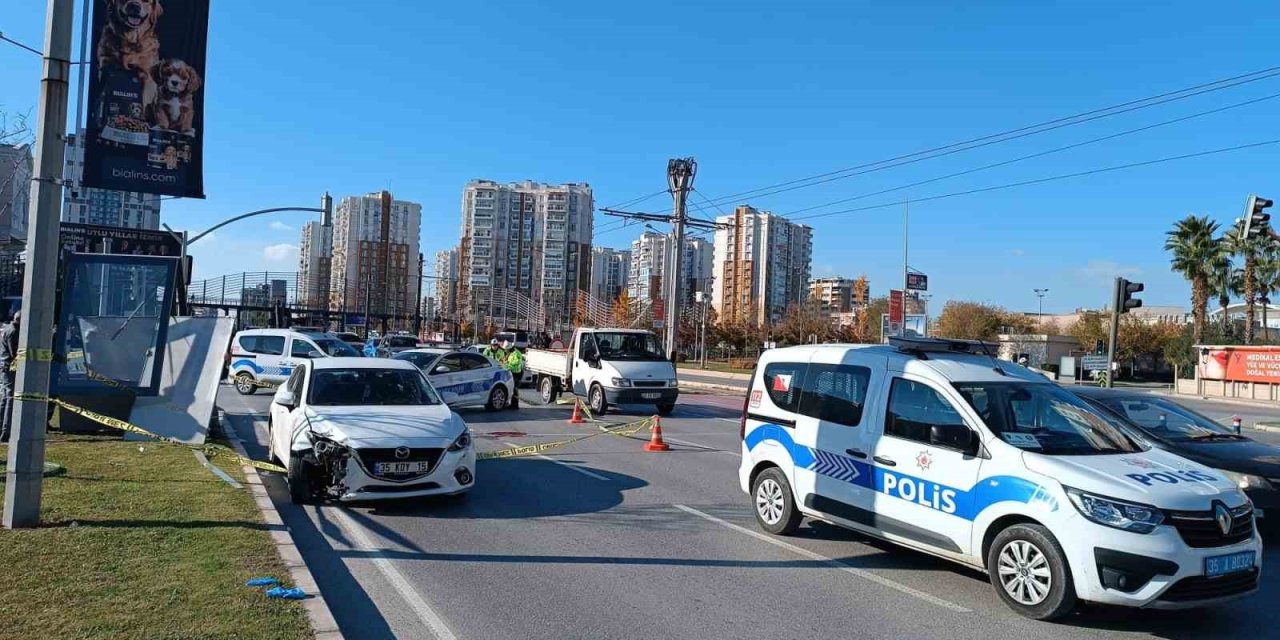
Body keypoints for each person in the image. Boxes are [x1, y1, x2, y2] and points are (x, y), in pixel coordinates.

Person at [0, 311, 20, 443]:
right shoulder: (14, 332)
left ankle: (2, 427)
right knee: (10, 399)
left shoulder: (6, 328)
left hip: (4, 366)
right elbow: (15, 353)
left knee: (4, 398)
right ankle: (6, 431)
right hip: (10, 368)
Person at [500, 340, 524, 409]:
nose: (505, 350)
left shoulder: (516, 353)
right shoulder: (510, 353)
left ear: (509, 348)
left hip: (516, 373)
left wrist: (506, 365)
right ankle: (512, 404)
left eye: (506, 349)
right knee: (511, 388)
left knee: (515, 389)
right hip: (512, 372)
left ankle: (515, 405)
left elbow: (516, 363)